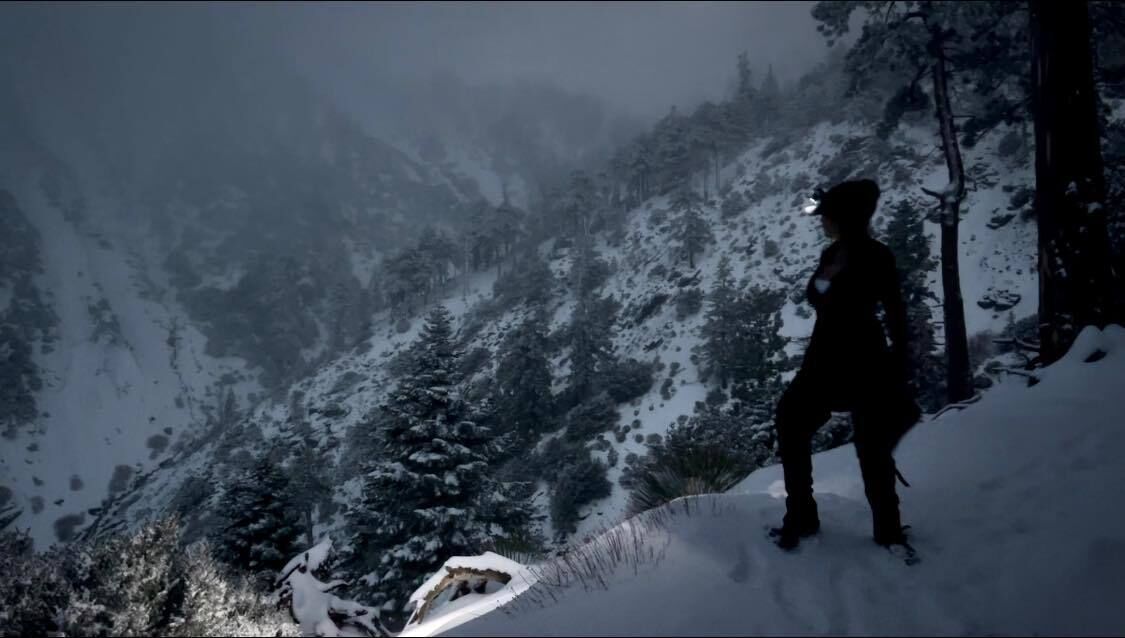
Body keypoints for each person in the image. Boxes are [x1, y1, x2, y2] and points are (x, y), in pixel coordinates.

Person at [770, 178, 921, 551]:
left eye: (828, 217)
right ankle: (888, 531)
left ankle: (803, 517)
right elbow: (896, 312)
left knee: (793, 422)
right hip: (870, 359)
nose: (823, 223)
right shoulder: (877, 255)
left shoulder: (839, 256)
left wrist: (829, 276)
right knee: (872, 449)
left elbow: (816, 297)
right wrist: (900, 364)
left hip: (828, 360)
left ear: (841, 219)